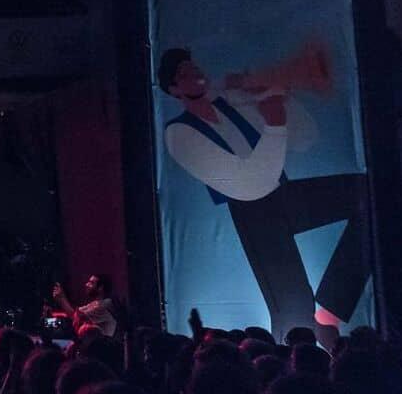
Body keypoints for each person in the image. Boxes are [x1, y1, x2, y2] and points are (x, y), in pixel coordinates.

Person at [158, 47, 369, 345]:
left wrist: (275, 99)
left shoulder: (231, 103)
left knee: (367, 195)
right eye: (184, 74)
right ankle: (289, 366)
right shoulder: (179, 133)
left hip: (281, 194)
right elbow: (249, 183)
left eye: (195, 68)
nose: (195, 75)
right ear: (174, 89)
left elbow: (306, 138)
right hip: (252, 212)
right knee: (292, 309)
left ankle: (332, 308)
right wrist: (274, 123)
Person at [49, 274, 118, 337]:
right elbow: (74, 313)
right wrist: (50, 315)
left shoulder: (105, 304)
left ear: (100, 288)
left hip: (102, 347)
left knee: (56, 325)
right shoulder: (93, 304)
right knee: (50, 323)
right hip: (90, 344)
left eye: (91, 283)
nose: (86, 284)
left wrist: (61, 298)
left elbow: (75, 317)